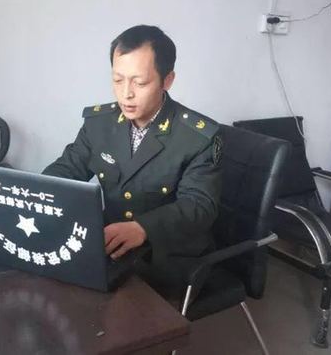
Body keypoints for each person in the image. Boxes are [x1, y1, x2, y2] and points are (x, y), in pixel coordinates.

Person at [43, 25, 222, 289]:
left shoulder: (196, 137)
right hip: (109, 246)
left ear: (167, 80)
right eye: (118, 80)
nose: (126, 93)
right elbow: (66, 170)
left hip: (167, 256)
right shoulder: (99, 124)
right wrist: (34, 195)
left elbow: (199, 205)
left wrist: (143, 228)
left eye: (140, 83)